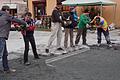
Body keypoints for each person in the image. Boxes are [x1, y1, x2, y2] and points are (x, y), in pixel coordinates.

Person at [0, 5, 27, 73]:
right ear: (6, 10)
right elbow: (16, 20)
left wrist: (15, 28)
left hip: (1, 36)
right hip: (1, 37)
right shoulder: (6, 15)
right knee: (0, 54)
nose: (9, 12)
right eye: (9, 10)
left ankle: (6, 69)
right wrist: (25, 23)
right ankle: (6, 69)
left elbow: (4, 27)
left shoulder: (1, 15)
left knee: (4, 54)